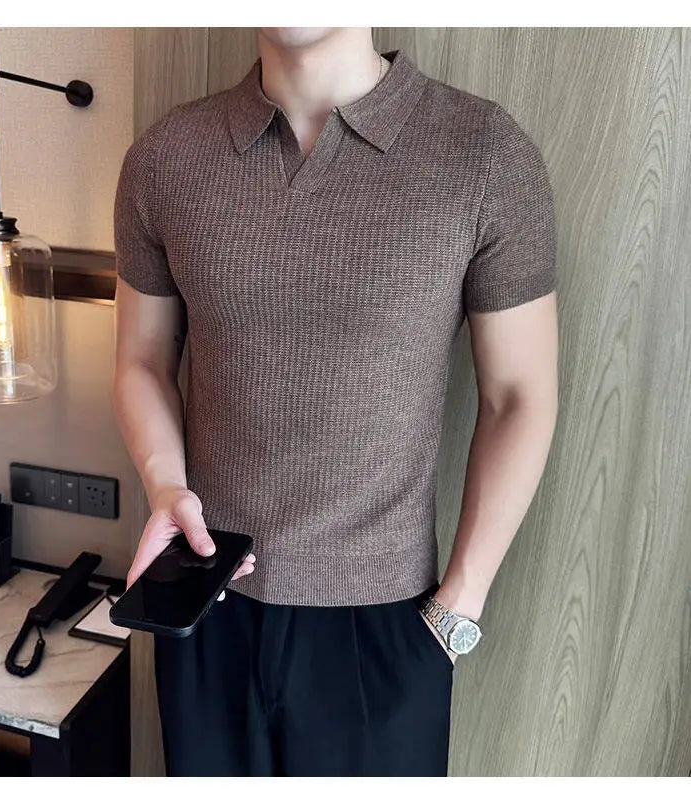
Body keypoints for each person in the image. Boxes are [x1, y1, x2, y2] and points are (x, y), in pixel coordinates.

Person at [112, 26, 559, 776]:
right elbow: (142, 361)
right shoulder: (165, 158)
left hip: (387, 631)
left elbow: (520, 394)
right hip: (205, 601)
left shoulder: (483, 152)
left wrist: (457, 610)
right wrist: (165, 488)